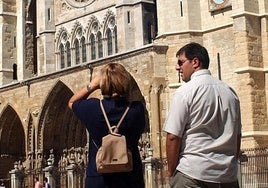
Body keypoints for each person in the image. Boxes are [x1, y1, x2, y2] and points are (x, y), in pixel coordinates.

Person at [163, 42, 242, 188]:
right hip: (227, 176)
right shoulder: (231, 93)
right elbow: (237, 136)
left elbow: (173, 136)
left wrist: (171, 172)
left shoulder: (185, 92)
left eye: (180, 62)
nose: (177, 67)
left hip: (192, 175)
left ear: (195, 62)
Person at [68, 63, 145, 188]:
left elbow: (72, 102)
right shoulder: (137, 110)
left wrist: (92, 85)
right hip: (130, 179)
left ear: (102, 83)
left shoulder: (93, 108)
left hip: (99, 179)